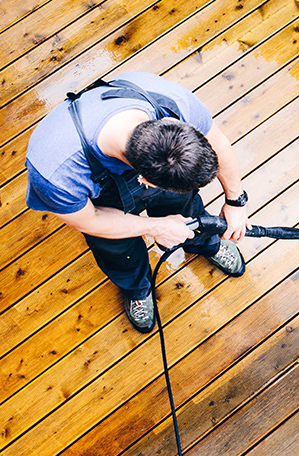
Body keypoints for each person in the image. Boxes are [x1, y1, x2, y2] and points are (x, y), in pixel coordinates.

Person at [25, 71, 250, 334]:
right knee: (118, 249)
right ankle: (137, 287)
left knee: (186, 208)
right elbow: (90, 220)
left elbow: (218, 144)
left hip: (150, 176)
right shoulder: (55, 172)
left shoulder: (172, 103)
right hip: (100, 205)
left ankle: (205, 242)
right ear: (146, 181)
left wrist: (236, 201)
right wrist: (155, 227)